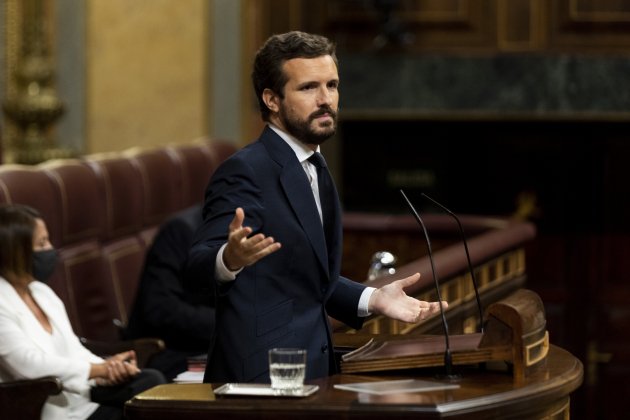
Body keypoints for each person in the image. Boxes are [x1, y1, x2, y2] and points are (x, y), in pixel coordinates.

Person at [186, 30, 447, 384]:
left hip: (311, 370)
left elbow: (302, 280)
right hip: (260, 382)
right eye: (309, 88)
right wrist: (228, 259)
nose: (326, 99)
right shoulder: (246, 170)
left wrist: (374, 299)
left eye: (333, 85)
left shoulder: (315, 166)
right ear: (272, 99)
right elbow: (197, 264)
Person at [0, 204, 165, 420]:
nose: (51, 249)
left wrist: (109, 369)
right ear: (16, 252)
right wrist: (97, 370)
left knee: (151, 382)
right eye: (42, 243)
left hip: (80, 397)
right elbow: (27, 364)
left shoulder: (40, 291)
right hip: (45, 408)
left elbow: (73, 348)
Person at [124, 204, 213, 381]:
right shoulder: (181, 230)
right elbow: (161, 308)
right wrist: (230, 325)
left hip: (217, 348)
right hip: (171, 352)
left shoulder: (262, 231)